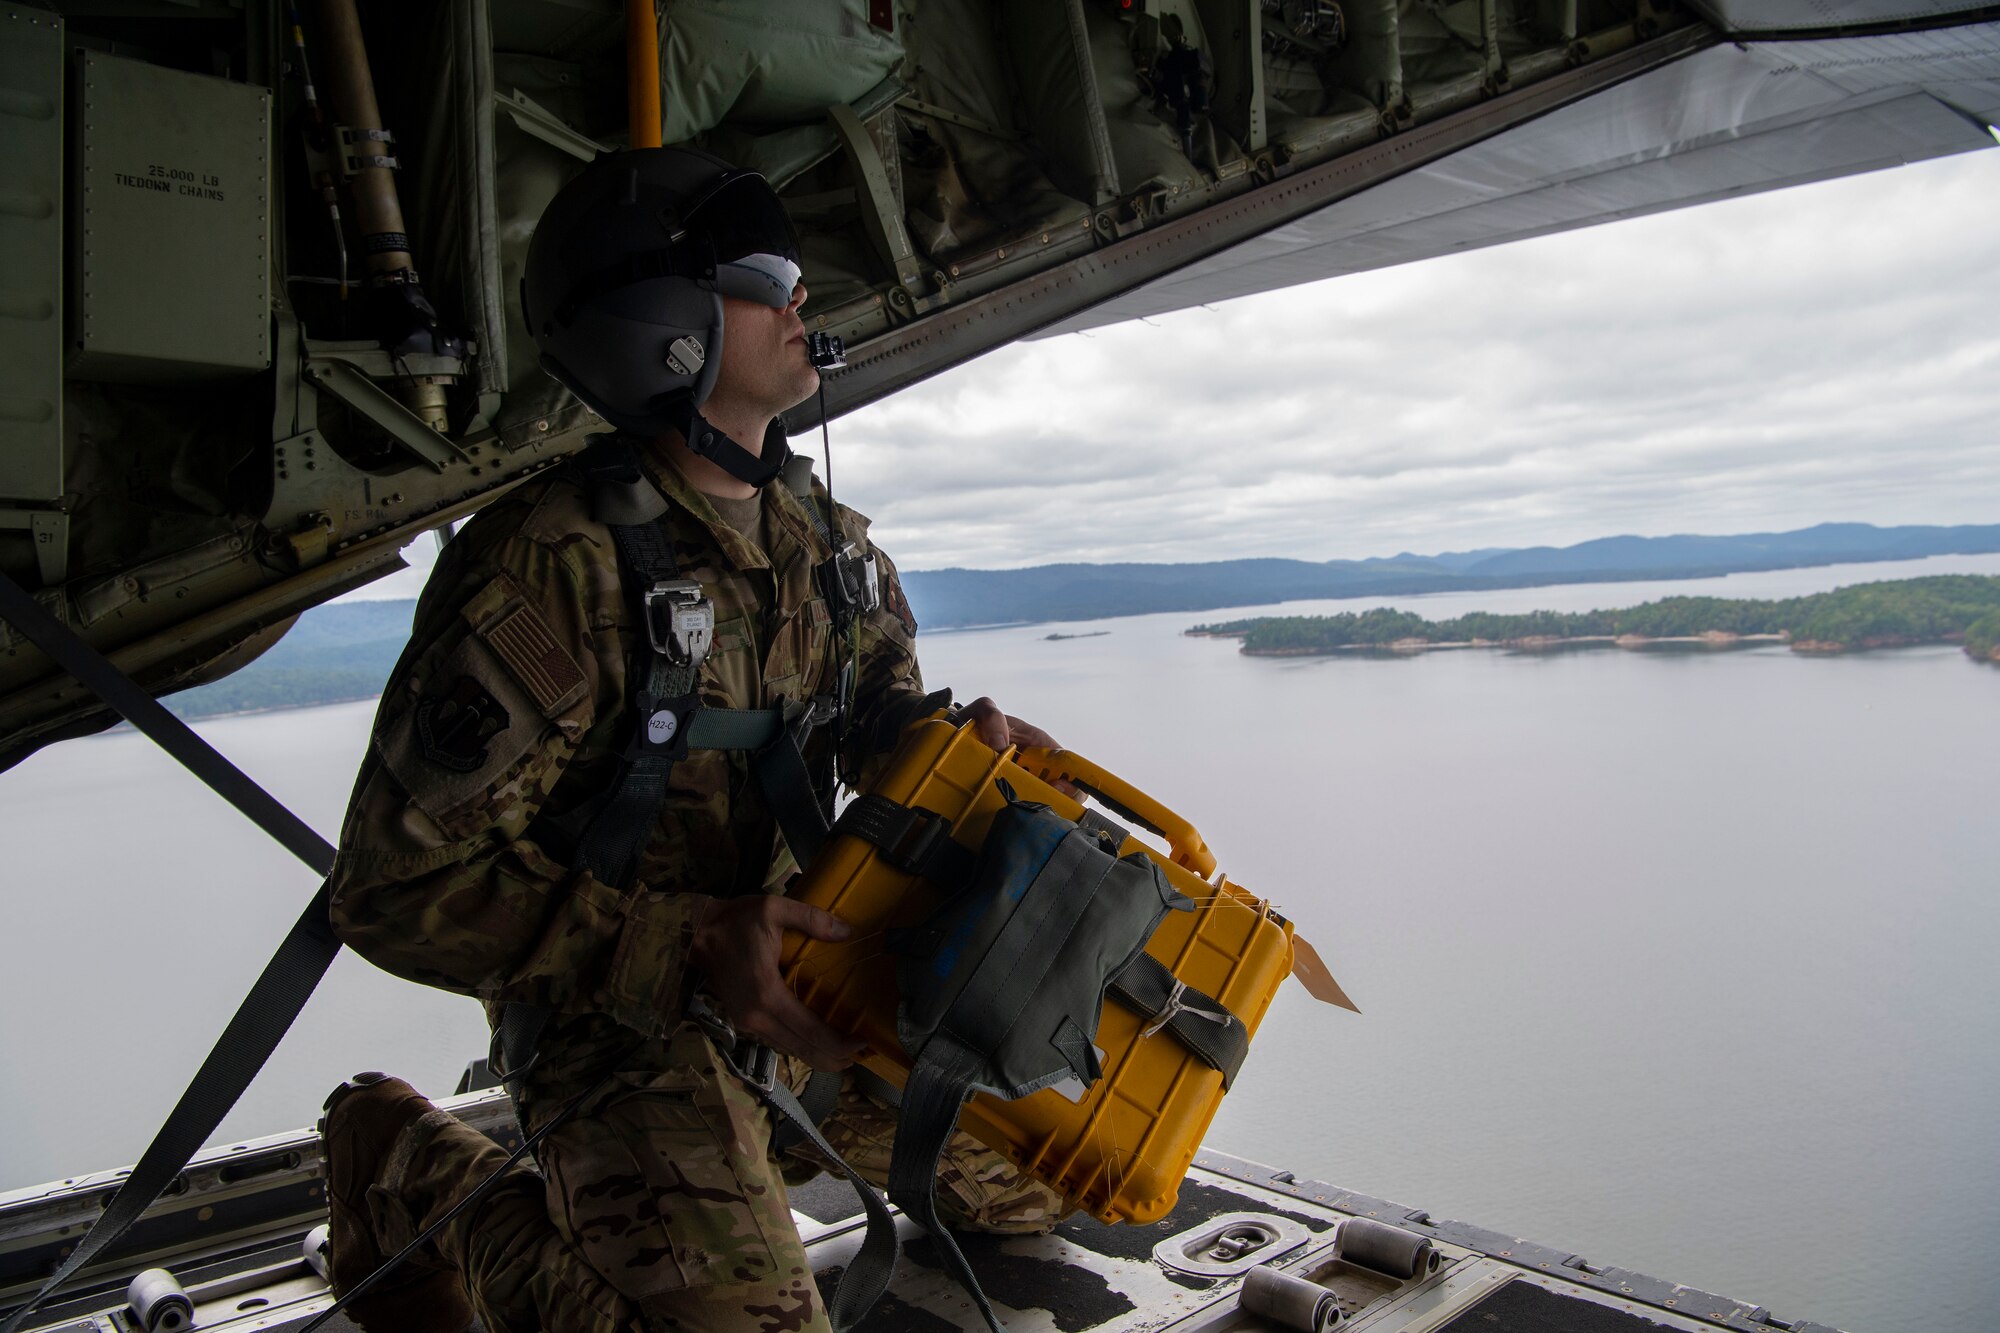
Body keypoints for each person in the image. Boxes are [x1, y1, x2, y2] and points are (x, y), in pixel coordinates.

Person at [319, 148, 1066, 1333]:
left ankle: (755, 1146)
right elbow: (392, 892)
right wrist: (683, 940)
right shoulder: (550, 567)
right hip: (621, 1031)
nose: (798, 298)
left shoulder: (820, 536)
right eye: (764, 274)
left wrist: (949, 750)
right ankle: (402, 1153)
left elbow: (878, 711)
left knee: (1041, 1178)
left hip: (811, 999)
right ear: (661, 324)